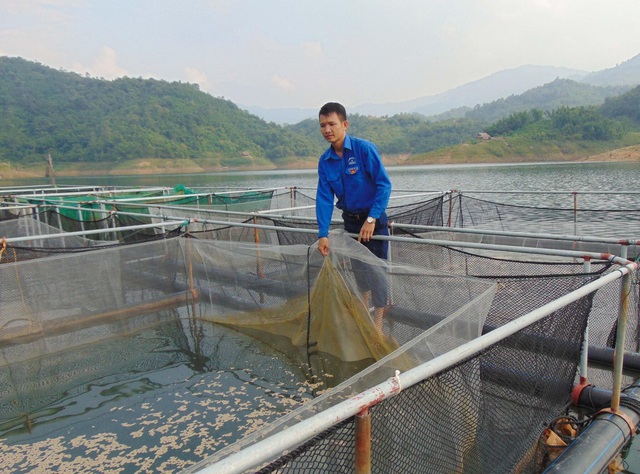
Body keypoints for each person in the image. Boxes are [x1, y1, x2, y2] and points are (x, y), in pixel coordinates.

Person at [315, 102, 392, 331]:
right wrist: (323, 234)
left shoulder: (363, 149)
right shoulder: (325, 161)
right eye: (322, 125)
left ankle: (378, 321)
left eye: (332, 124)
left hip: (373, 221)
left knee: (377, 271)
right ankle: (363, 310)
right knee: (359, 269)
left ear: (344, 124)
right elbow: (324, 198)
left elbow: (383, 185)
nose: (327, 129)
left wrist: (372, 219)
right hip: (350, 221)